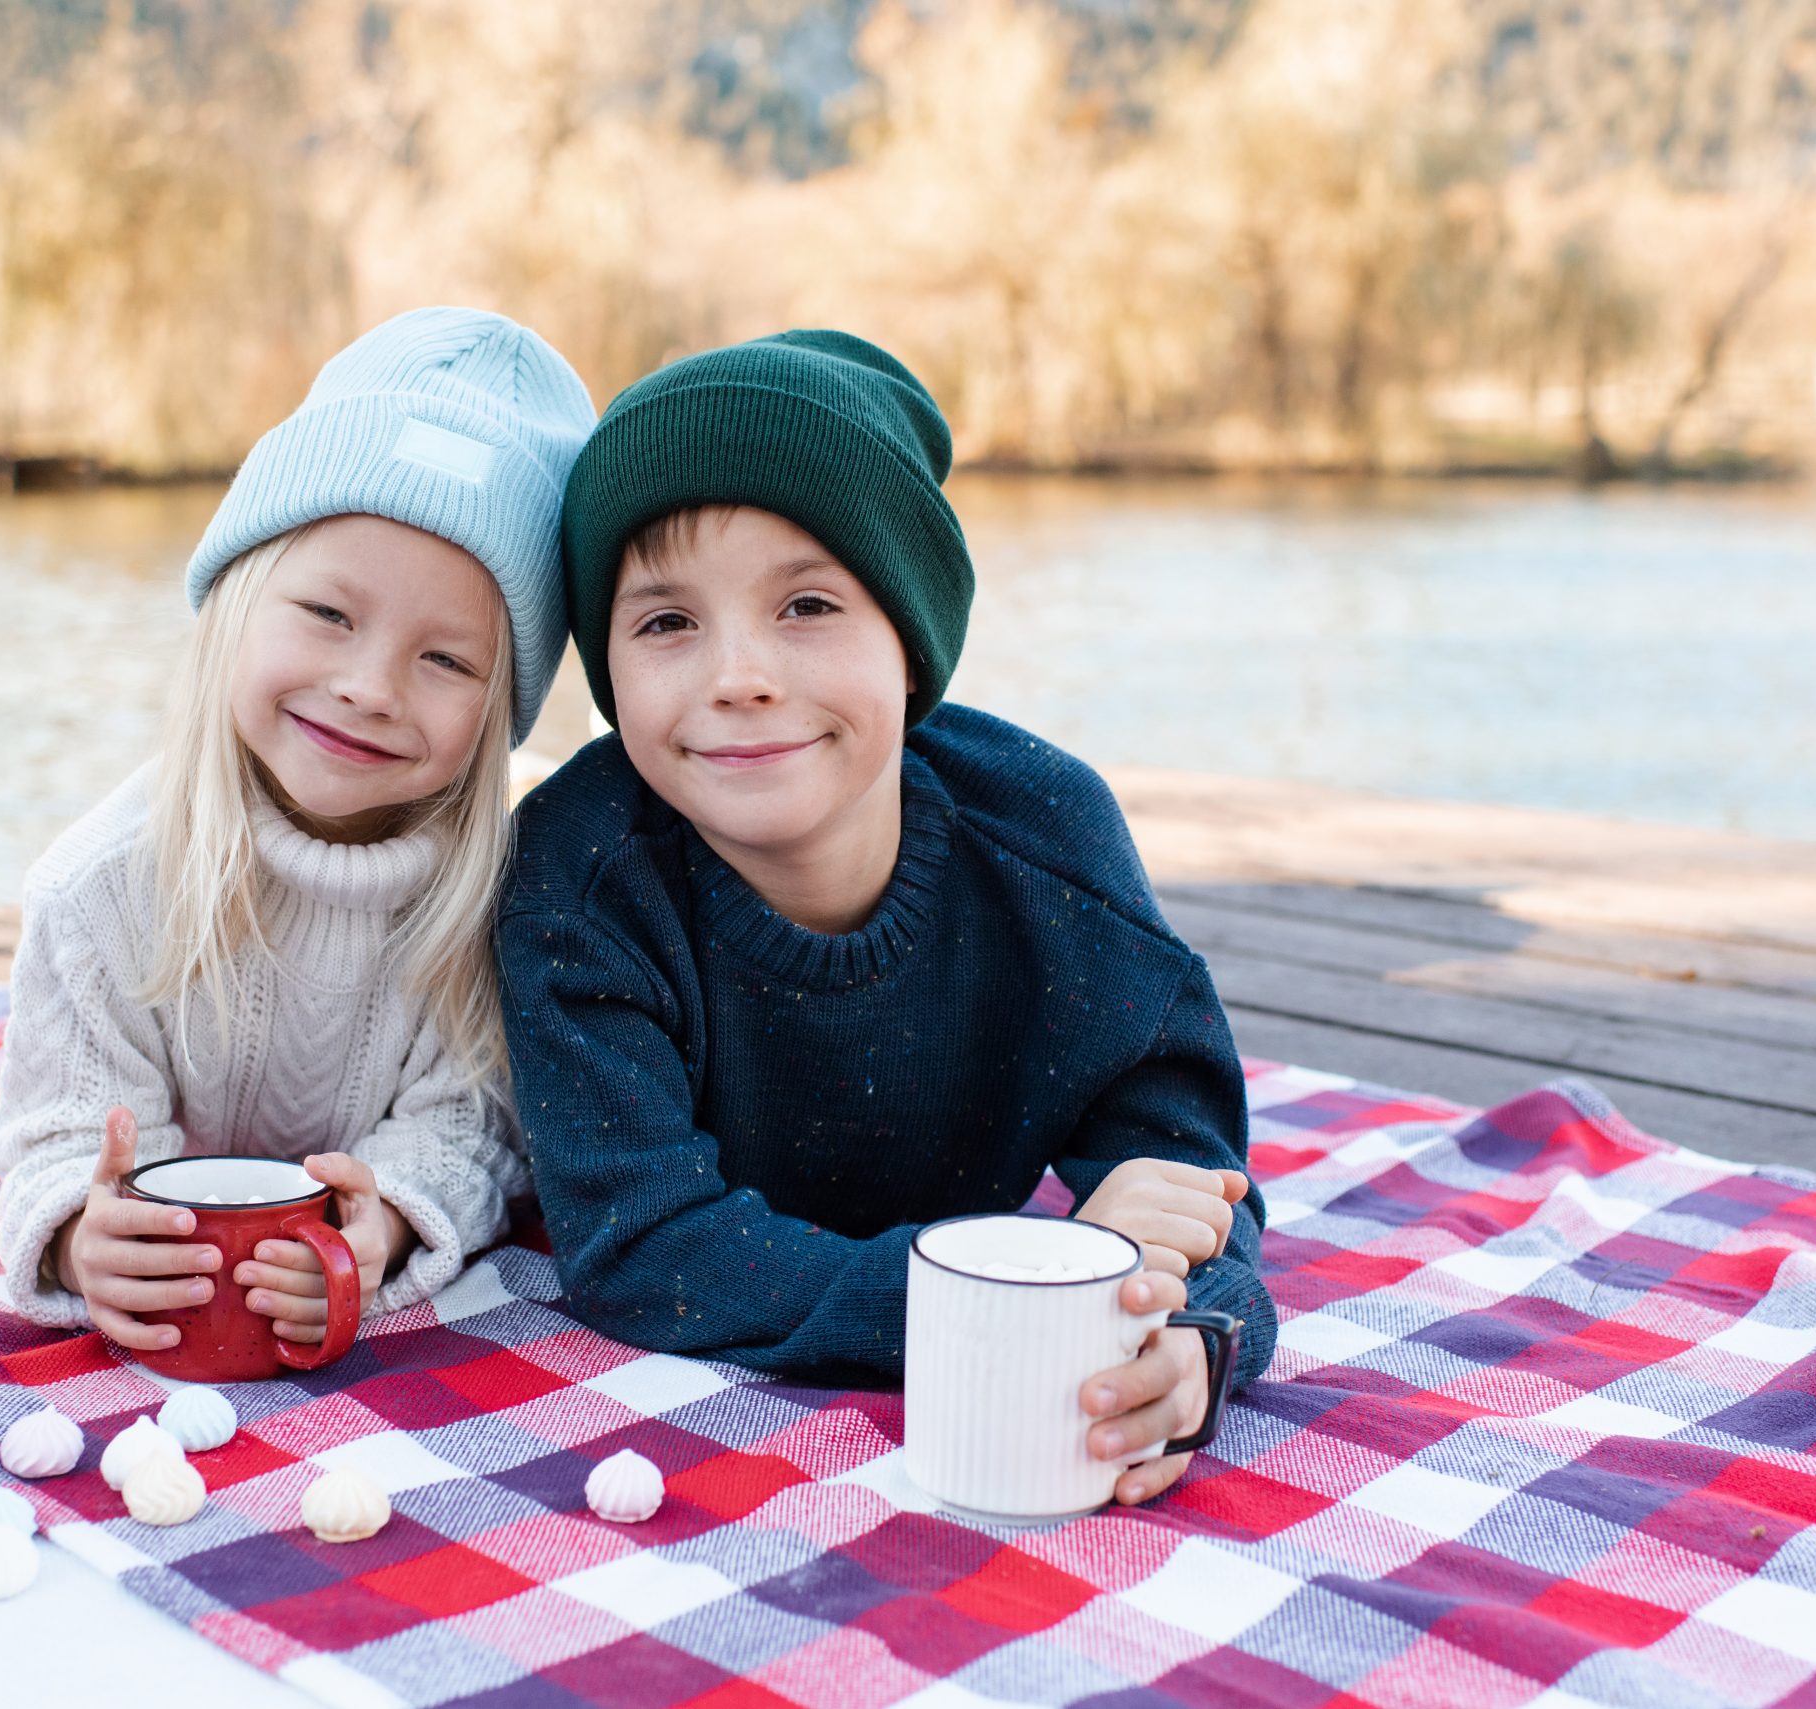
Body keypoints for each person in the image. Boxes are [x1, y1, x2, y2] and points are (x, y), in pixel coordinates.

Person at [499, 330, 1273, 1507]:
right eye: (665, 622)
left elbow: (1183, 1178)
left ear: (911, 643)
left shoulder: (1047, 838)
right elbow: (640, 1241)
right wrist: (1001, 1301)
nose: (737, 674)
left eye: (807, 603)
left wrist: (1188, 1342)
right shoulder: (582, 873)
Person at [0, 307, 593, 1353]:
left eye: (445, 659)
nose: (366, 687)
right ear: (238, 597)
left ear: (501, 706)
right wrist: (85, 1236)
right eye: (327, 614)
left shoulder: (502, 899)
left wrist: (391, 1214)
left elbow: (471, 1123)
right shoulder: (100, 889)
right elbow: (57, 1133)